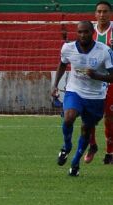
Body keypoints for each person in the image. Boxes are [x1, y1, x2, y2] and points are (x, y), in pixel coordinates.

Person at [52, 21, 113, 176]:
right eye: (80, 32)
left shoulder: (104, 51)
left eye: (86, 32)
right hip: (75, 91)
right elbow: (62, 64)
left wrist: (97, 75)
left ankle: (75, 164)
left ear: (92, 33)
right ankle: (66, 147)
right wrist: (54, 85)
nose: (82, 35)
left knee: (86, 129)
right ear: (76, 33)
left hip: (96, 97)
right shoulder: (68, 48)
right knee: (69, 117)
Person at [84, 1, 113, 164]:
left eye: (105, 11)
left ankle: (110, 152)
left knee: (110, 117)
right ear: (95, 14)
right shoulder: (89, 31)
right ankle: (92, 145)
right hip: (92, 82)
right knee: (90, 117)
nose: (102, 15)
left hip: (110, 81)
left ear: (110, 13)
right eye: (99, 12)